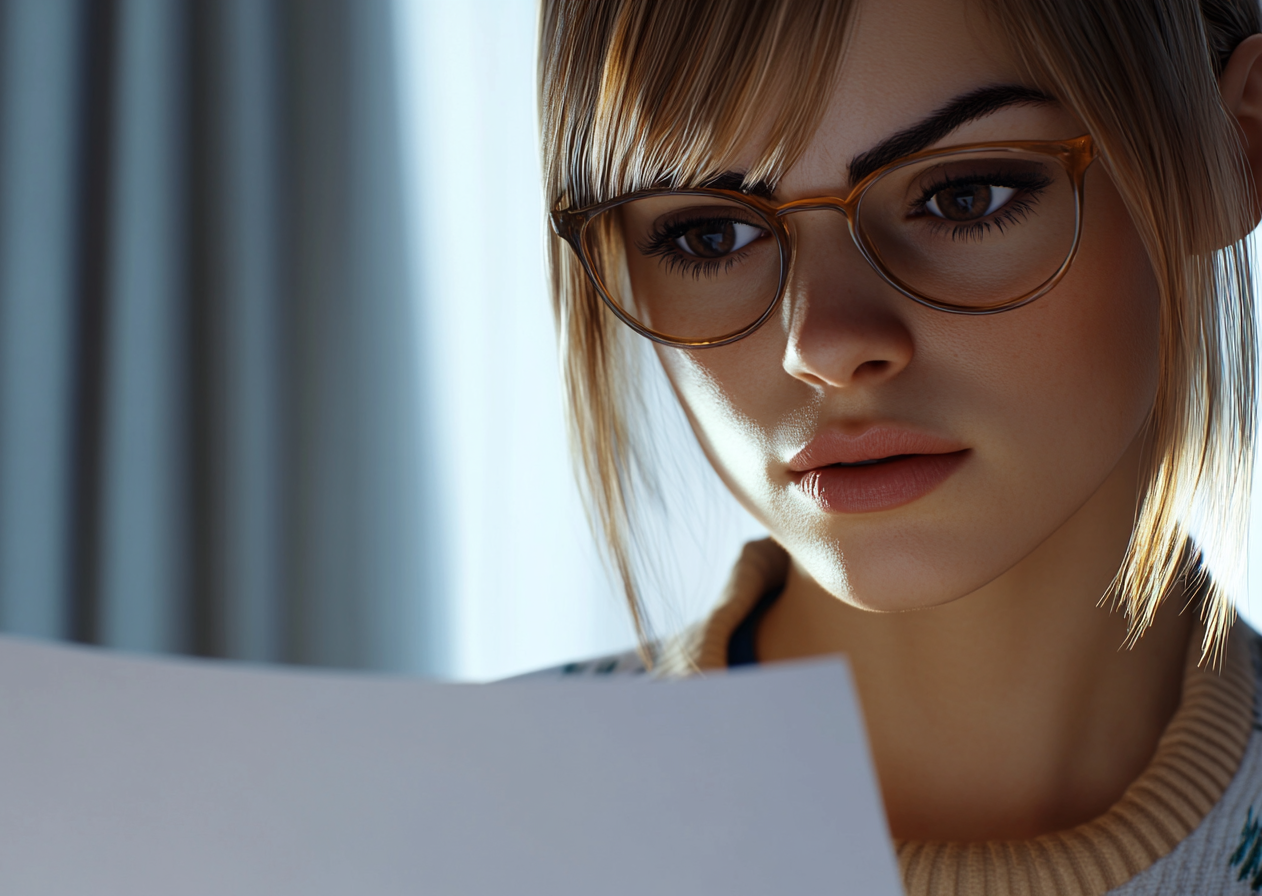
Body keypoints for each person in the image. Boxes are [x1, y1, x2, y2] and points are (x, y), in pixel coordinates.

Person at [533, 0, 1262, 892]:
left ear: (1235, 152)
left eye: (965, 195)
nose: (827, 344)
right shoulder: (419, 827)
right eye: (708, 235)